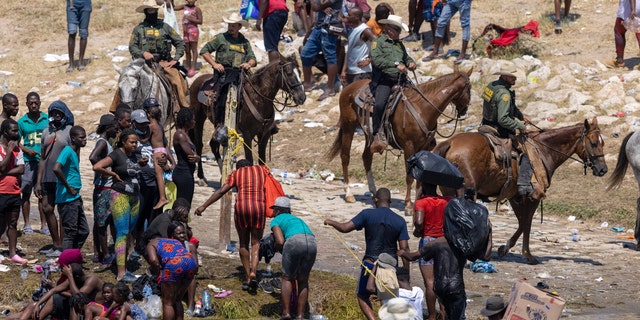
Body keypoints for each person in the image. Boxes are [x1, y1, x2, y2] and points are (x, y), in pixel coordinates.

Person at [324, 188, 410, 320]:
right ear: (390, 201)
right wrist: (405, 274)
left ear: (375, 199)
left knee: (362, 296)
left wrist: (331, 222)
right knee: (386, 298)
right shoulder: (400, 220)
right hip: (390, 268)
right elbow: (404, 250)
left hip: (369, 264)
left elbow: (345, 228)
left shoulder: (367, 214)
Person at [195, 159, 269, 291]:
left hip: (242, 207)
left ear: (239, 167)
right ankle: (254, 271)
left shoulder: (236, 173)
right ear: (250, 165)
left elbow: (221, 191)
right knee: (256, 243)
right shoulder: (261, 170)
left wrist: (203, 206)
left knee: (243, 243)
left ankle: (247, 277)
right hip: (259, 207)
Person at [480, 63, 543, 199]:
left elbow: (506, 107)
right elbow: (503, 119)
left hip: (485, 124)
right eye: (512, 77)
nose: (515, 79)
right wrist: (520, 125)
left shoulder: (492, 86)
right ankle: (523, 185)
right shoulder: (504, 94)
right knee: (528, 149)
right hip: (499, 129)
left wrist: (520, 115)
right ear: (504, 76)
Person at [93, 128, 142, 281]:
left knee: (128, 232)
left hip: (134, 198)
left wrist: (141, 163)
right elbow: (97, 166)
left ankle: (121, 262)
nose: (135, 145)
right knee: (121, 233)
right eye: (132, 142)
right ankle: (121, 273)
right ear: (123, 142)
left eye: (136, 142)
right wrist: (113, 174)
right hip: (120, 196)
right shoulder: (116, 154)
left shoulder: (135, 155)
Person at [369, 15, 416, 154]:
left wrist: (410, 63)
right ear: (388, 29)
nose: (399, 33)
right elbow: (377, 60)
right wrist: (396, 64)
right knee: (379, 104)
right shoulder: (377, 42)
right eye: (397, 30)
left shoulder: (399, 44)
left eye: (399, 30)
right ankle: (377, 133)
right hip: (385, 80)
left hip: (401, 79)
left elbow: (406, 58)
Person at [199, 12, 256, 127]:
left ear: (239, 27)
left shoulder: (244, 42)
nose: (230, 28)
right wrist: (214, 64)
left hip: (240, 74)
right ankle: (219, 123)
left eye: (233, 25)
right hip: (223, 74)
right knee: (222, 96)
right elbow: (204, 51)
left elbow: (253, 58)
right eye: (229, 25)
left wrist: (248, 64)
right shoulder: (220, 38)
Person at [130, 0, 189, 108]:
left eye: (154, 10)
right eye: (150, 10)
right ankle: (118, 110)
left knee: (176, 77)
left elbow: (180, 42)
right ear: (146, 12)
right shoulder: (138, 29)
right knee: (126, 79)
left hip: (163, 62)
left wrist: (175, 59)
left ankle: (182, 108)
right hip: (142, 63)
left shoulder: (165, 27)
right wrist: (143, 53)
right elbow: (132, 46)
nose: (152, 13)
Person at [35, 100, 75, 258]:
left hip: (63, 178)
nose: (56, 115)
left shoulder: (70, 131)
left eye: (59, 112)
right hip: (47, 178)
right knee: (47, 208)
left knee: (63, 211)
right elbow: (43, 159)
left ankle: (63, 246)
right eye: (53, 112)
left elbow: (74, 156)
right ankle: (56, 244)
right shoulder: (46, 132)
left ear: (65, 113)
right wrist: (38, 181)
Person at [269, 196, 317, 320]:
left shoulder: (276, 220)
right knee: (303, 280)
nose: (273, 213)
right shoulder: (297, 219)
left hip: (294, 242)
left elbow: (280, 241)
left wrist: (277, 250)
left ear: (278, 210)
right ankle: (300, 315)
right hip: (312, 243)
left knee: (286, 277)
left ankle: (286, 314)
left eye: (274, 210)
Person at [413, 183, 450, 320]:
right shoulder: (446, 201)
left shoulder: (421, 202)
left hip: (428, 241)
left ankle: (432, 315)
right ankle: (443, 311)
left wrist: (418, 231)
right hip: (443, 242)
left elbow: (419, 222)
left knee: (429, 282)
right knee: (442, 279)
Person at [146, 221, 198, 320]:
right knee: (177, 299)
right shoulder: (174, 241)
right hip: (190, 263)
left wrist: (159, 274)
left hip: (175, 264)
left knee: (168, 302)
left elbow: (153, 261)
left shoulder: (152, 243)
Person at [53, 126, 90, 250]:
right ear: (73, 138)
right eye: (82, 138)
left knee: (84, 230)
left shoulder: (74, 152)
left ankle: (72, 255)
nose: (85, 140)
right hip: (67, 198)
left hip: (75, 197)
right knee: (70, 232)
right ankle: (67, 262)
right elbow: (56, 168)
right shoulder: (67, 151)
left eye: (85, 137)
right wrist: (68, 187)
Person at [89, 114, 118, 266]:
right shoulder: (103, 142)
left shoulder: (105, 142)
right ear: (108, 128)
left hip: (104, 188)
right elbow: (92, 157)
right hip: (103, 188)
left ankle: (99, 253)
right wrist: (103, 170)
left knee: (102, 222)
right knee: (102, 223)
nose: (116, 129)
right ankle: (106, 255)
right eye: (115, 127)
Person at [17, 92, 48, 235]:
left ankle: (44, 225)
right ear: (27, 104)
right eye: (31, 103)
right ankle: (27, 224)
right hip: (28, 162)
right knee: (26, 193)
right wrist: (27, 150)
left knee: (42, 193)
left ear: (40, 103)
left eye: (36, 102)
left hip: (44, 162)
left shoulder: (47, 119)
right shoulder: (22, 122)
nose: (34, 105)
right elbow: (16, 142)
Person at [300, 0, 343, 101]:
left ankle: (330, 88)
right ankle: (307, 83)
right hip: (318, 27)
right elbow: (314, 6)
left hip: (329, 29)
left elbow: (316, 6)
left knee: (330, 57)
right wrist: (322, 7)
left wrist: (320, 6)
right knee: (305, 53)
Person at [0, 119, 27, 264]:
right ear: (5, 132)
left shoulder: (18, 149)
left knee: (13, 223)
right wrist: (9, 152)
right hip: (1, 191)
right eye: (14, 131)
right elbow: (1, 166)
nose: (17, 133)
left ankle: (12, 253)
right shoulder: (5, 149)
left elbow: (21, 169)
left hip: (14, 192)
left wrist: (4, 172)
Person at [142, 98, 174, 210]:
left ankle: (162, 198)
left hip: (157, 152)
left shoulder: (150, 126)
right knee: (161, 175)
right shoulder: (160, 125)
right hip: (162, 151)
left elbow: (145, 140)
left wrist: (139, 138)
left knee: (158, 175)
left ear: (148, 114)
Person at [340, 6, 376, 86]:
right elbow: (349, 51)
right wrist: (344, 70)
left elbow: (379, 44)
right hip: (351, 72)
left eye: (349, 15)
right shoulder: (353, 29)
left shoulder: (365, 30)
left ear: (356, 17)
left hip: (362, 73)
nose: (346, 16)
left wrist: (369, 60)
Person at [172, 108, 198, 204]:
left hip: (187, 173)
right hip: (183, 173)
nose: (194, 122)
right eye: (193, 119)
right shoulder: (180, 135)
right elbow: (191, 156)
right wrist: (197, 157)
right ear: (187, 120)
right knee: (183, 205)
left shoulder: (185, 134)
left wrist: (197, 157)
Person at [174, 0, 202, 77]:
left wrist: (190, 18)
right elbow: (173, 8)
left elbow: (200, 21)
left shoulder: (197, 9)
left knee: (193, 49)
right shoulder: (184, 7)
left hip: (193, 31)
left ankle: (193, 68)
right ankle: (187, 67)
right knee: (187, 49)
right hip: (185, 31)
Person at [611, 0, 640, 68]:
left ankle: (620, 61)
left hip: (629, 9)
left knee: (619, 31)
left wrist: (633, 9)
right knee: (639, 33)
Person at [66, 0, 92, 72]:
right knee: (72, 32)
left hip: (85, 4)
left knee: (83, 33)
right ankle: (71, 63)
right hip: (72, 4)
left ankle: (81, 62)